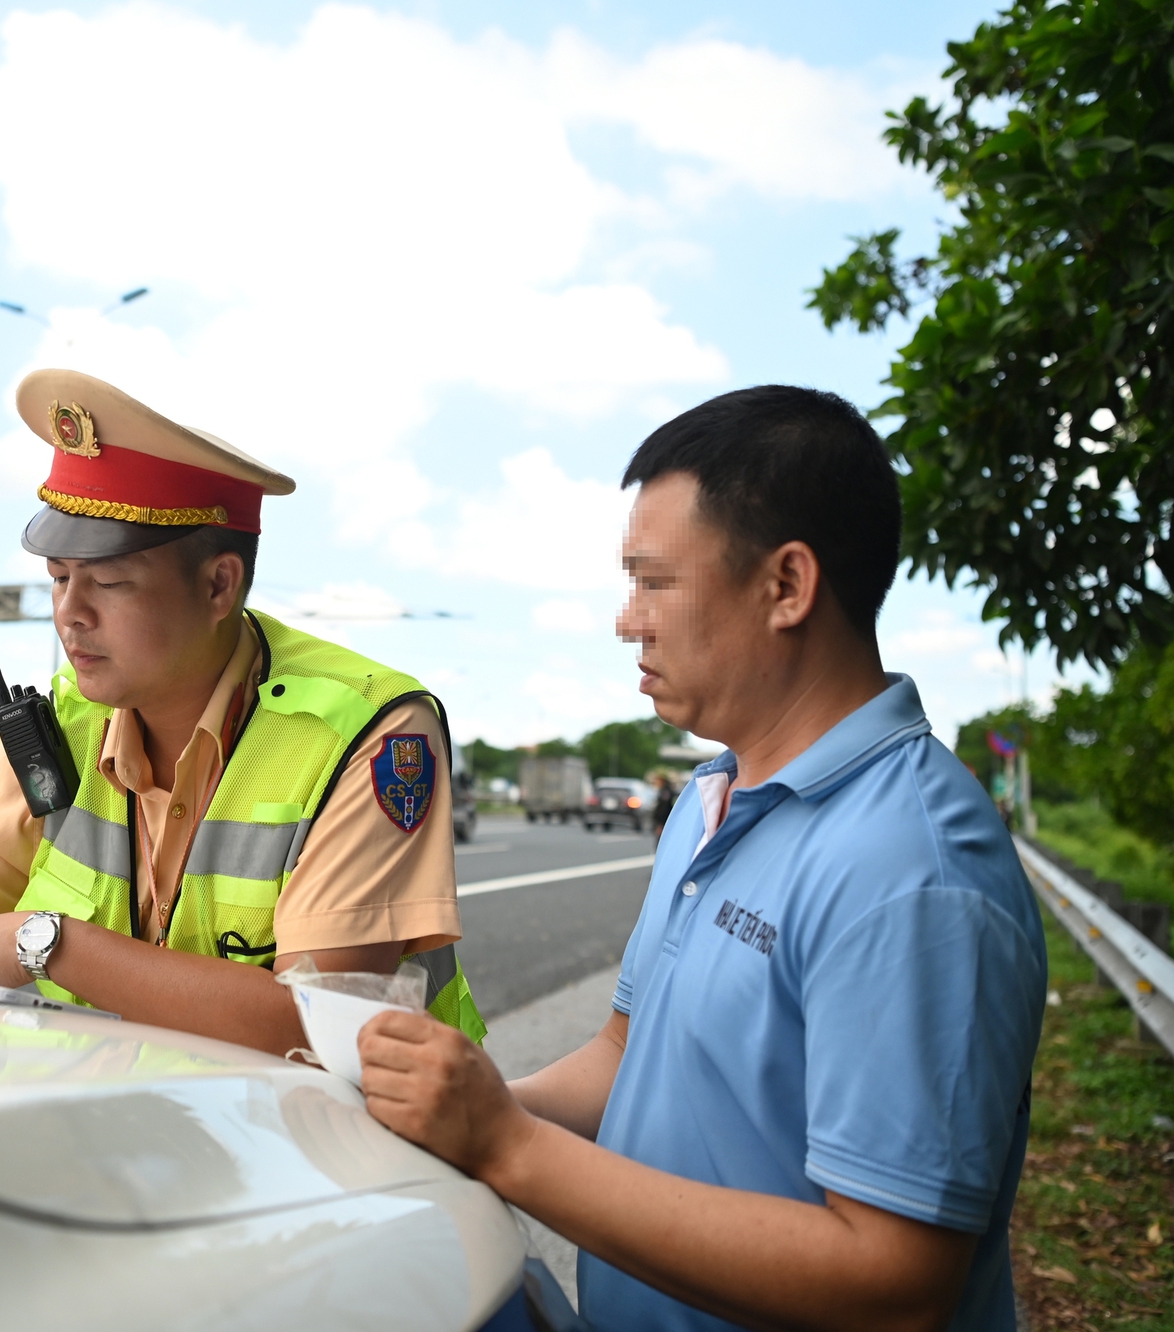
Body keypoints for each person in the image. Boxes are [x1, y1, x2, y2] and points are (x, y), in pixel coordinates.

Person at [357, 386, 1047, 1330]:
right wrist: (456, 1113)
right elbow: (625, 1054)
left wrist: (507, 1146)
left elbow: (893, 1283)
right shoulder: (711, 798)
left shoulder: (910, 871)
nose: (627, 620)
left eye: (655, 582)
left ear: (787, 586)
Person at [0, 370, 486, 1054]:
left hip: (324, 1146)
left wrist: (51, 944)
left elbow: (327, 1029)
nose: (70, 613)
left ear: (219, 585)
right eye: (59, 577)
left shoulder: (365, 732)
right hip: (112, 1130)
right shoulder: (60, 721)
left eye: (109, 583)